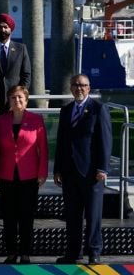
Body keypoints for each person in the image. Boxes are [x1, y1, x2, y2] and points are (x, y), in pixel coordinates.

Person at [54, 74, 111, 265]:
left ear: (89, 88)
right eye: (76, 85)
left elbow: (105, 140)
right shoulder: (66, 110)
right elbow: (61, 142)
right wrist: (58, 169)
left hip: (91, 173)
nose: (79, 88)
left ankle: (94, 251)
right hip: (70, 173)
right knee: (72, 216)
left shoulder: (98, 109)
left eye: (83, 85)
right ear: (71, 88)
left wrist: (103, 168)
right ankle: (73, 252)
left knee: (93, 215)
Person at [0, 84, 48, 264]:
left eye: (20, 97)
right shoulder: (1, 121)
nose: (17, 101)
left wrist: (42, 173)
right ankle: (11, 251)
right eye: (13, 97)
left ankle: (25, 252)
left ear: (26, 100)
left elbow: (43, 150)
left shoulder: (36, 120)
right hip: (6, 175)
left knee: (26, 216)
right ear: (9, 100)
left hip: (29, 175)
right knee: (9, 216)